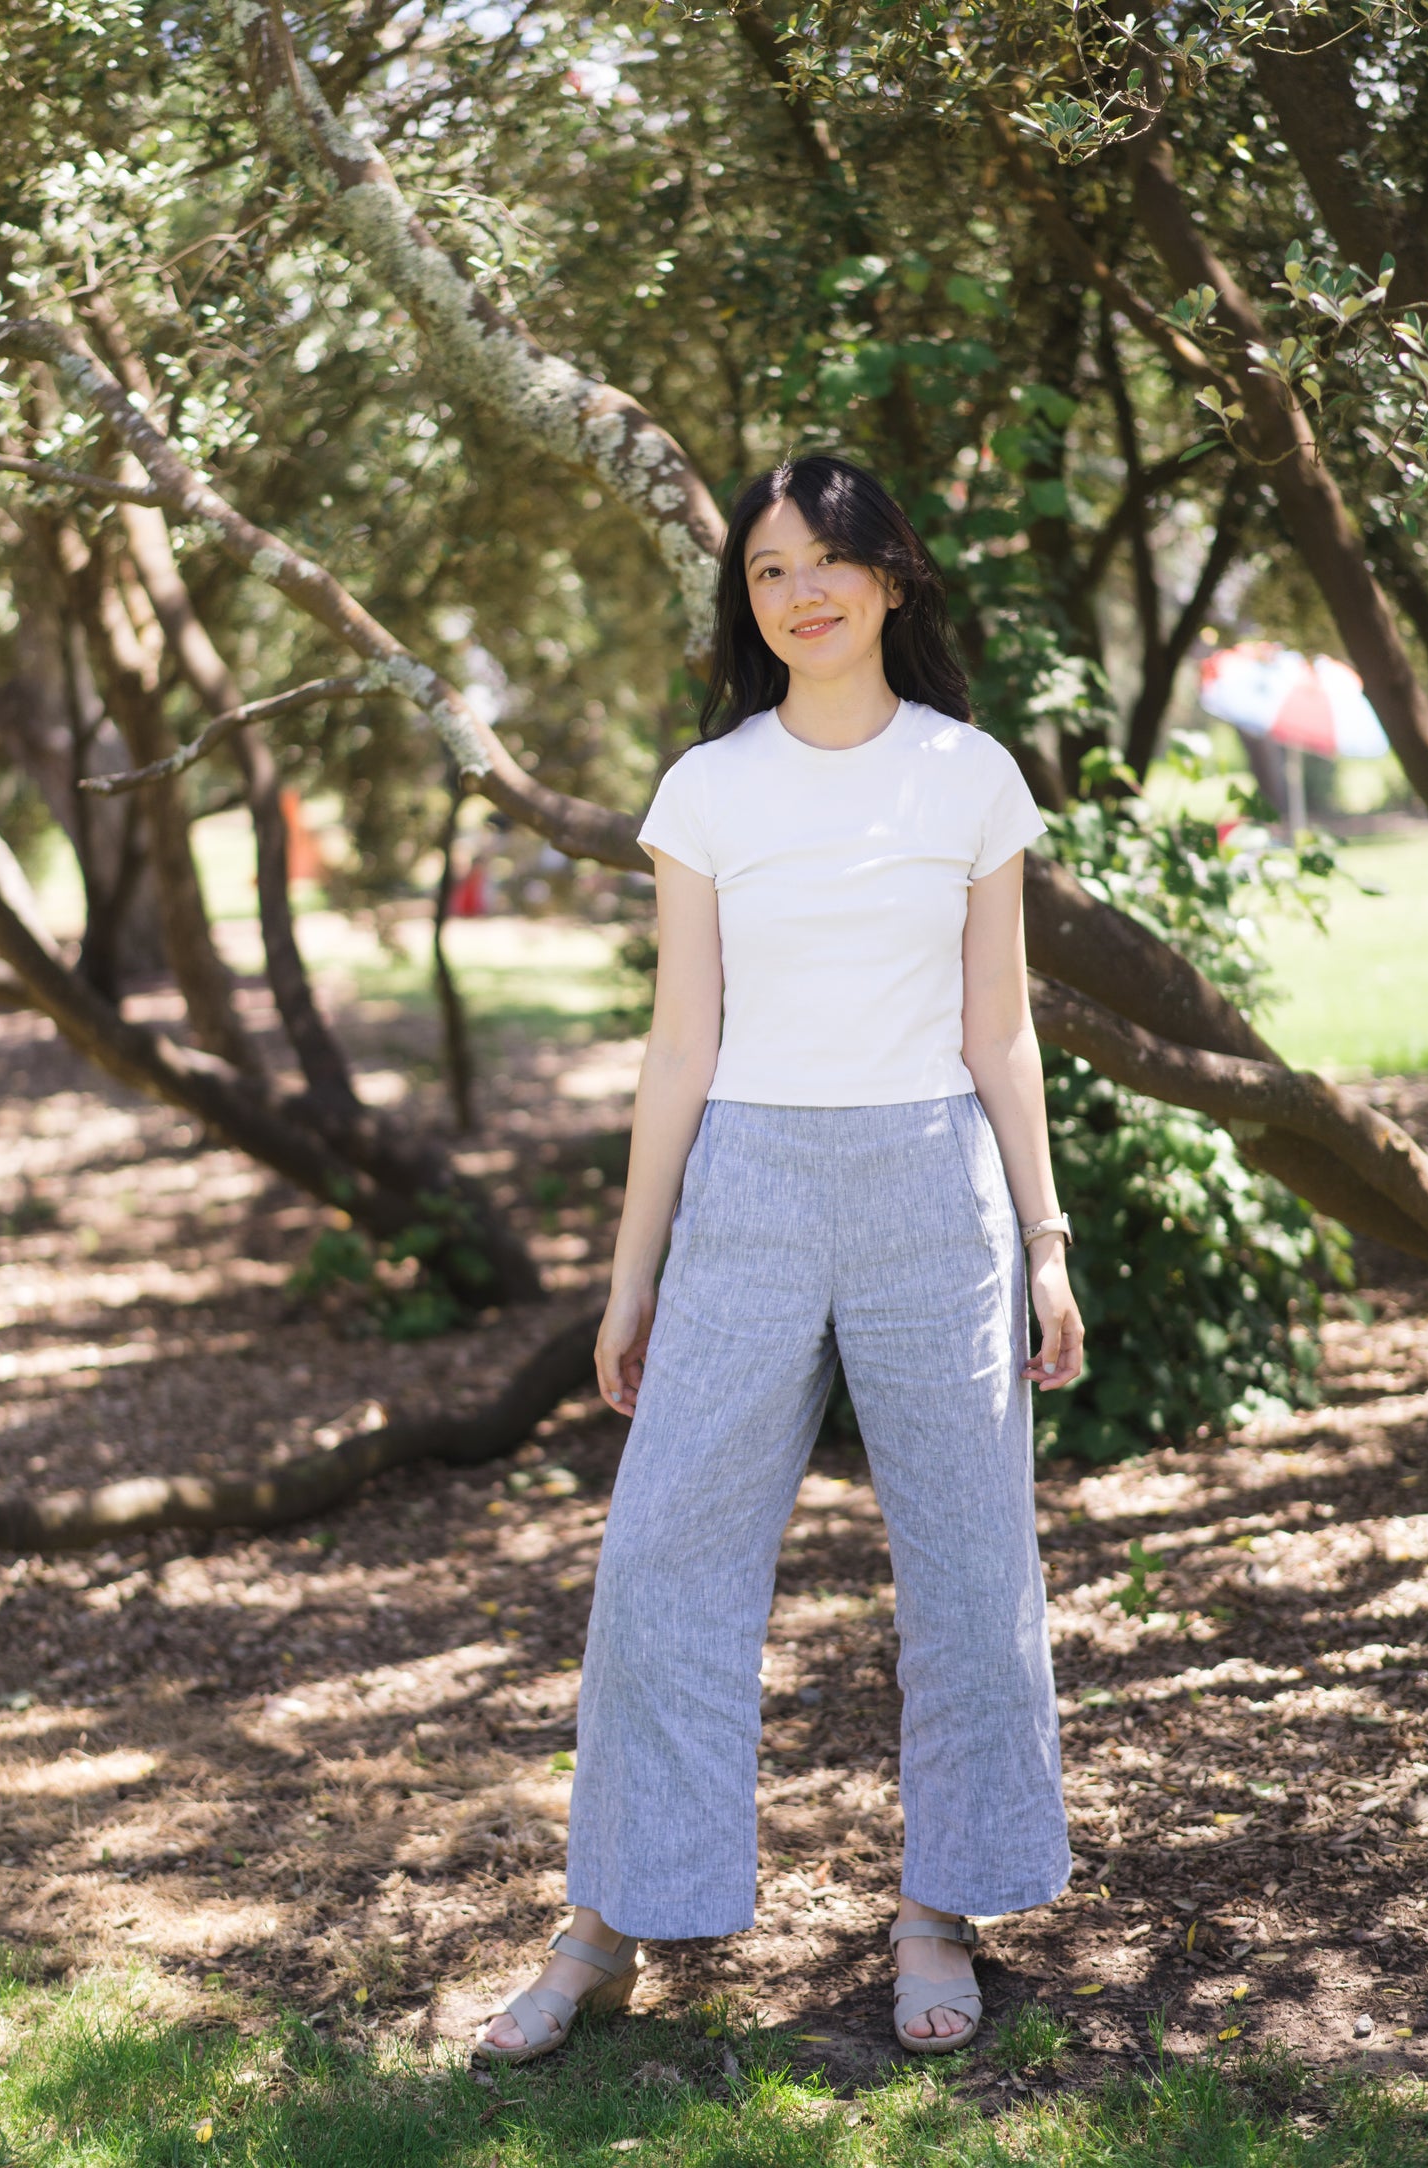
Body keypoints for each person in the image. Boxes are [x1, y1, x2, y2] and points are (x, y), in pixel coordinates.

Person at [476, 453, 1084, 2066]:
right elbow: (678, 1046)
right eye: (767, 570)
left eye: (828, 559)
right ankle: (603, 1924)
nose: (800, 589)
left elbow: (999, 1026)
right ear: (745, 601)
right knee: (660, 1562)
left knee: (964, 1572)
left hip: (930, 1188)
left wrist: (1044, 1243)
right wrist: (630, 1278)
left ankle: (936, 1912)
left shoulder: (967, 775)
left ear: (890, 574)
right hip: (744, 1181)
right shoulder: (710, 788)